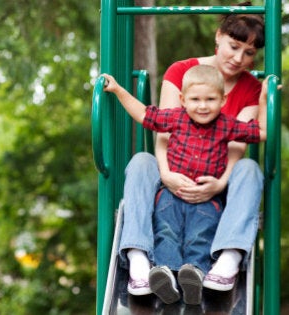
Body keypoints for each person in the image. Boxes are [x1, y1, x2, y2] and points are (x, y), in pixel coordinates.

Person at [116, 2, 267, 301]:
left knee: (250, 170)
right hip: (173, 170)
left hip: (216, 176)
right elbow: (165, 128)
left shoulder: (249, 86)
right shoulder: (183, 71)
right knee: (140, 162)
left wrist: (221, 182)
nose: (239, 58)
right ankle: (138, 259)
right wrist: (166, 174)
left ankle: (228, 260)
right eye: (234, 46)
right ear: (219, 36)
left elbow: (240, 141)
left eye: (249, 53)